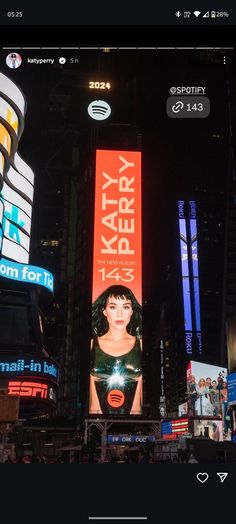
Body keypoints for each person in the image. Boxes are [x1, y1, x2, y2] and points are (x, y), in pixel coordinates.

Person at [90, 285, 142, 415]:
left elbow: (139, 391)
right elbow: (91, 393)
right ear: (104, 311)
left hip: (133, 420)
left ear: (131, 311)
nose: (120, 313)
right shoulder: (92, 344)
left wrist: (135, 420)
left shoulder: (140, 344)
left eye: (125, 307)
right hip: (96, 418)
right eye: (113, 307)